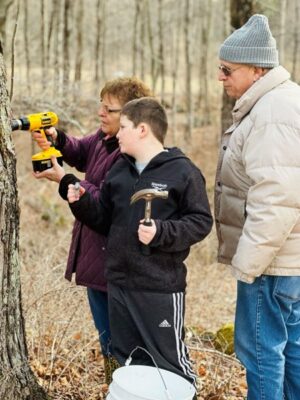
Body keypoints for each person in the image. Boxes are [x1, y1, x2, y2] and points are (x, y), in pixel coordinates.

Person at [62, 97, 213, 388]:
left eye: (125, 127)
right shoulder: (120, 170)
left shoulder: (182, 172)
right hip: (119, 283)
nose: (118, 133)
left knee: (170, 363)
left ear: (142, 129)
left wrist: (161, 231)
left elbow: (200, 222)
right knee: (128, 361)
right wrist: (81, 203)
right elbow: (104, 218)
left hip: (159, 287)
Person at [32, 77, 152, 384]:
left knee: (120, 344)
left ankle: (128, 388)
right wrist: (56, 138)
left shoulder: (130, 156)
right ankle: (116, 387)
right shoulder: (104, 138)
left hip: (115, 266)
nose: (100, 113)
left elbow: (101, 205)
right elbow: (81, 149)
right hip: (98, 264)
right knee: (108, 342)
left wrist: (64, 179)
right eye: (101, 104)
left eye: (109, 109)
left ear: (131, 117)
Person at [215, 14, 300, 400]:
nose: (221, 77)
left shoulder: (272, 113)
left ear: (256, 68)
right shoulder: (279, 102)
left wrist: (248, 265)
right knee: (291, 347)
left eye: (227, 70)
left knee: (261, 351)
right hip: (287, 258)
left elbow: (277, 197)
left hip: (273, 261)